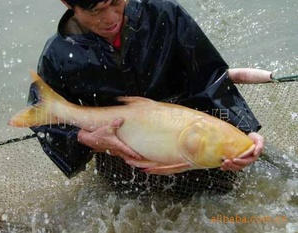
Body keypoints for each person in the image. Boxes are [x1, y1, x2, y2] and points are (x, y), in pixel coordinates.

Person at [29, 0, 264, 196]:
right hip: (121, 165)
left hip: (192, 145)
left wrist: (245, 129)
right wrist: (88, 139)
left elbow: (209, 75)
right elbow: (44, 116)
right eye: (96, 11)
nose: (111, 18)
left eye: (116, 2)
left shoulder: (164, 13)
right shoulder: (58, 55)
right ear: (68, 4)